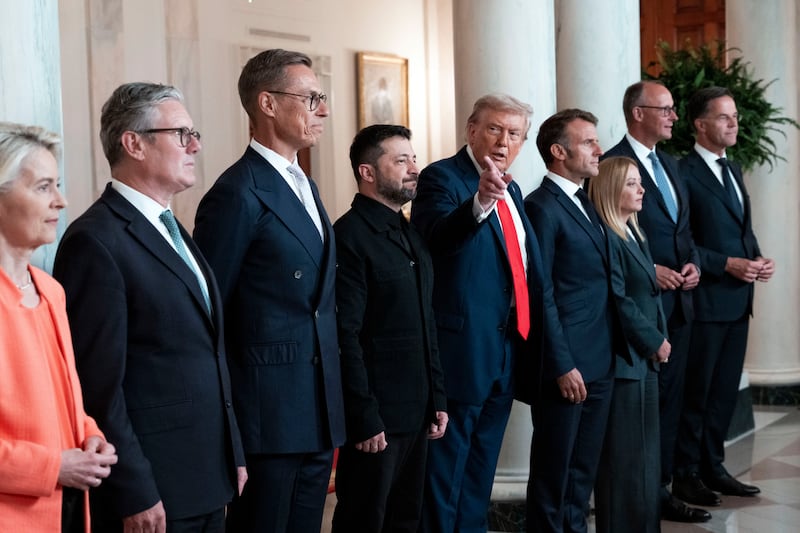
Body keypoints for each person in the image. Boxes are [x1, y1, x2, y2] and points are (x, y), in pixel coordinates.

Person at [52, 83, 246, 533]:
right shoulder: (95, 241)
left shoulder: (171, 227)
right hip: (154, 488)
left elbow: (207, 355)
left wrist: (231, 452)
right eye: (181, 133)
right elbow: (97, 386)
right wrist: (132, 488)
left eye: (193, 133)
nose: (195, 144)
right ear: (133, 143)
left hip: (205, 475)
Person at [193, 48, 345, 533]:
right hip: (267, 411)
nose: (323, 109)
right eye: (311, 97)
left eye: (322, 98)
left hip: (316, 405)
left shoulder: (305, 183)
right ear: (268, 103)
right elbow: (210, 310)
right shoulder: (237, 191)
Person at [410, 93, 548, 533]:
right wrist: (480, 203)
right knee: (445, 474)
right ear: (471, 131)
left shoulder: (516, 189)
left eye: (514, 134)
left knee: (480, 472)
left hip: (506, 348)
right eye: (494, 129)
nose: (503, 140)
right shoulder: (442, 178)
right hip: (461, 350)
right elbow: (437, 237)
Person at [0, 123, 118, 533]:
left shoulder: (50, 290)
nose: (61, 201)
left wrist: (90, 434)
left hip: (68, 510)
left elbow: (65, 400)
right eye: (43, 187)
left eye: (58, 185)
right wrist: (54, 466)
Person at [331, 124, 449, 532]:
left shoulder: (410, 233)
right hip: (377, 417)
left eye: (413, 159)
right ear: (368, 172)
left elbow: (424, 323)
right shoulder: (347, 237)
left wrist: (437, 396)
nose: (414, 168)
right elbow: (345, 335)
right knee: (365, 520)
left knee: (405, 520)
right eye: (401, 160)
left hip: (416, 411)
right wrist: (363, 415)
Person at [602, 80, 707, 523]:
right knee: (640, 417)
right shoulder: (610, 165)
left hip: (679, 305)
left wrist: (694, 264)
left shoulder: (670, 165)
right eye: (664, 109)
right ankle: (648, 495)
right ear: (637, 113)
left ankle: (663, 487)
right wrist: (653, 271)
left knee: (670, 404)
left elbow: (685, 230)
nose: (673, 116)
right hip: (640, 311)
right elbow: (613, 238)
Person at [672, 86, 774, 505]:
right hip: (706, 299)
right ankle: (686, 473)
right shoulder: (682, 172)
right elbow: (685, 240)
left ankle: (714, 466)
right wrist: (726, 264)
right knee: (697, 392)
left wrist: (757, 256)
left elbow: (740, 228)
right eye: (724, 117)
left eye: (734, 116)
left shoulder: (731, 169)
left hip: (738, 299)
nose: (734, 123)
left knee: (723, 392)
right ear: (700, 125)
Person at [524, 108, 620, 533]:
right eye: (588, 142)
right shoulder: (541, 206)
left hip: (600, 359)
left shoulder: (586, 201)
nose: (598, 149)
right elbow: (539, 291)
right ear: (559, 152)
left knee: (581, 474)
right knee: (553, 473)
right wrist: (562, 364)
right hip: (566, 365)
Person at [589, 156, 670, 533]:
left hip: (645, 361)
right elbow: (619, 299)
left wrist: (660, 339)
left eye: (641, 182)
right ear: (610, 190)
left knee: (645, 458)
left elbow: (649, 297)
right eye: (632, 184)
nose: (642, 190)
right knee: (624, 462)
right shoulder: (608, 236)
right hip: (626, 361)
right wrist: (654, 340)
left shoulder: (634, 231)